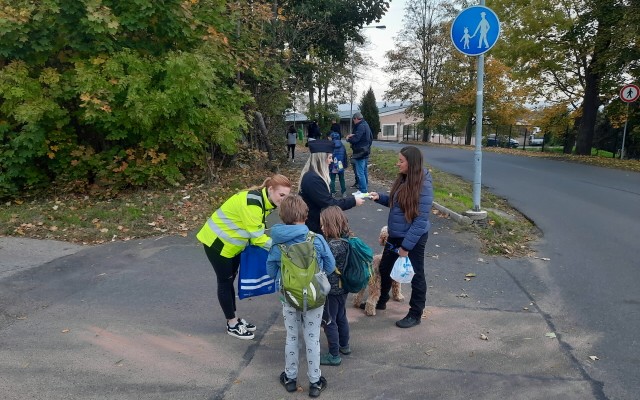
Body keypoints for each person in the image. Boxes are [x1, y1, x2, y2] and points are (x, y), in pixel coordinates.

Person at [196, 174, 292, 339]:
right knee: (225, 281)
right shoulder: (253, 204)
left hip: (232, 245)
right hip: (217, 244)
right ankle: (232, 324)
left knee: (230, 279)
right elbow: (258, 237)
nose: (283, 199)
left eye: (286, 196)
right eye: (281, 195)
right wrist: (282, 249)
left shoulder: (264, 200)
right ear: (270, 189)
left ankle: (234, 318)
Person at [266, 195, 335, 398]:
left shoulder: (277, 243)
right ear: (305, 215)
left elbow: (271, 271)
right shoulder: (316, 239)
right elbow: (330, 266)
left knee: (292, 336)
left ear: (283, 216)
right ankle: (315, 382)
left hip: (289, 297)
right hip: (314, 296)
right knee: (312, 337)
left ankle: (290, 378)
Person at [368, 146, 433, 328]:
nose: (397, 164)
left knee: (416, 275)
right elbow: (396, 203)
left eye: (401, 161)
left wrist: (406, 247)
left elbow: (420, 221)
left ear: (411, 164)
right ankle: (382, 299)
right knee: (386, 267)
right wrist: (379, 197)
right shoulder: (404, 179)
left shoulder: (424, 185)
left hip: (413, 238)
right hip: (395, 234)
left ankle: (415, 314)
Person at [299, 139, 364, 234]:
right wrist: (353, 201)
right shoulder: (313, 179)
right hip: (313, 226)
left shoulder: (313, 175)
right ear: (321, 158)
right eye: (329, 157)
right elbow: (328, 203)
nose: (331, 161)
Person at [319, 206, 352, 366]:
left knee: (329, 320)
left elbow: (323, 265)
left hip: (332, 290)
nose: (321, 228)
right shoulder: (347, 240)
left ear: (331, 225)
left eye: (324, 225)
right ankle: (344, 346)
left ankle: (334, 355)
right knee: (341, 316)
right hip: (343, 287)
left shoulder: (333, 246)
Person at [346, 112, 372, 194]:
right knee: (364, 171)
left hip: (360, 152)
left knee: (360, 172)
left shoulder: (360, 126)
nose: (353, 121)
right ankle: (364, 187)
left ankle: (363, 191)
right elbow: (371, 137)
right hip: (366, 150)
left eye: (353, 119)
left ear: (356, 118)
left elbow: (356, 139)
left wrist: (348, 138)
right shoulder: (366, 124)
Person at [328, 130, 347, 198]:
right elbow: (345, 156)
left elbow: (328, 155)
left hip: (332, 165)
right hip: (340, 164)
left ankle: (333, 192)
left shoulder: (330, 145)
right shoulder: (342, 146)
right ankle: (344, 192)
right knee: (341, 179)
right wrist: (345, 165)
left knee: (332, 179)